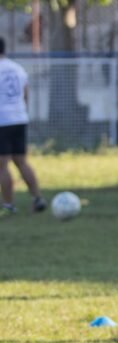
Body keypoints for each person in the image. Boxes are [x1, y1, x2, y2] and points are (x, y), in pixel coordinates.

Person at [0, 36, 45, 216]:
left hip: (2, 120)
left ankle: (9, 205)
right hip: (19, 118)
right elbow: (25, 94)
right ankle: (37, 198)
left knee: (2, 165)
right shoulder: (17, 68)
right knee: (21, 161)